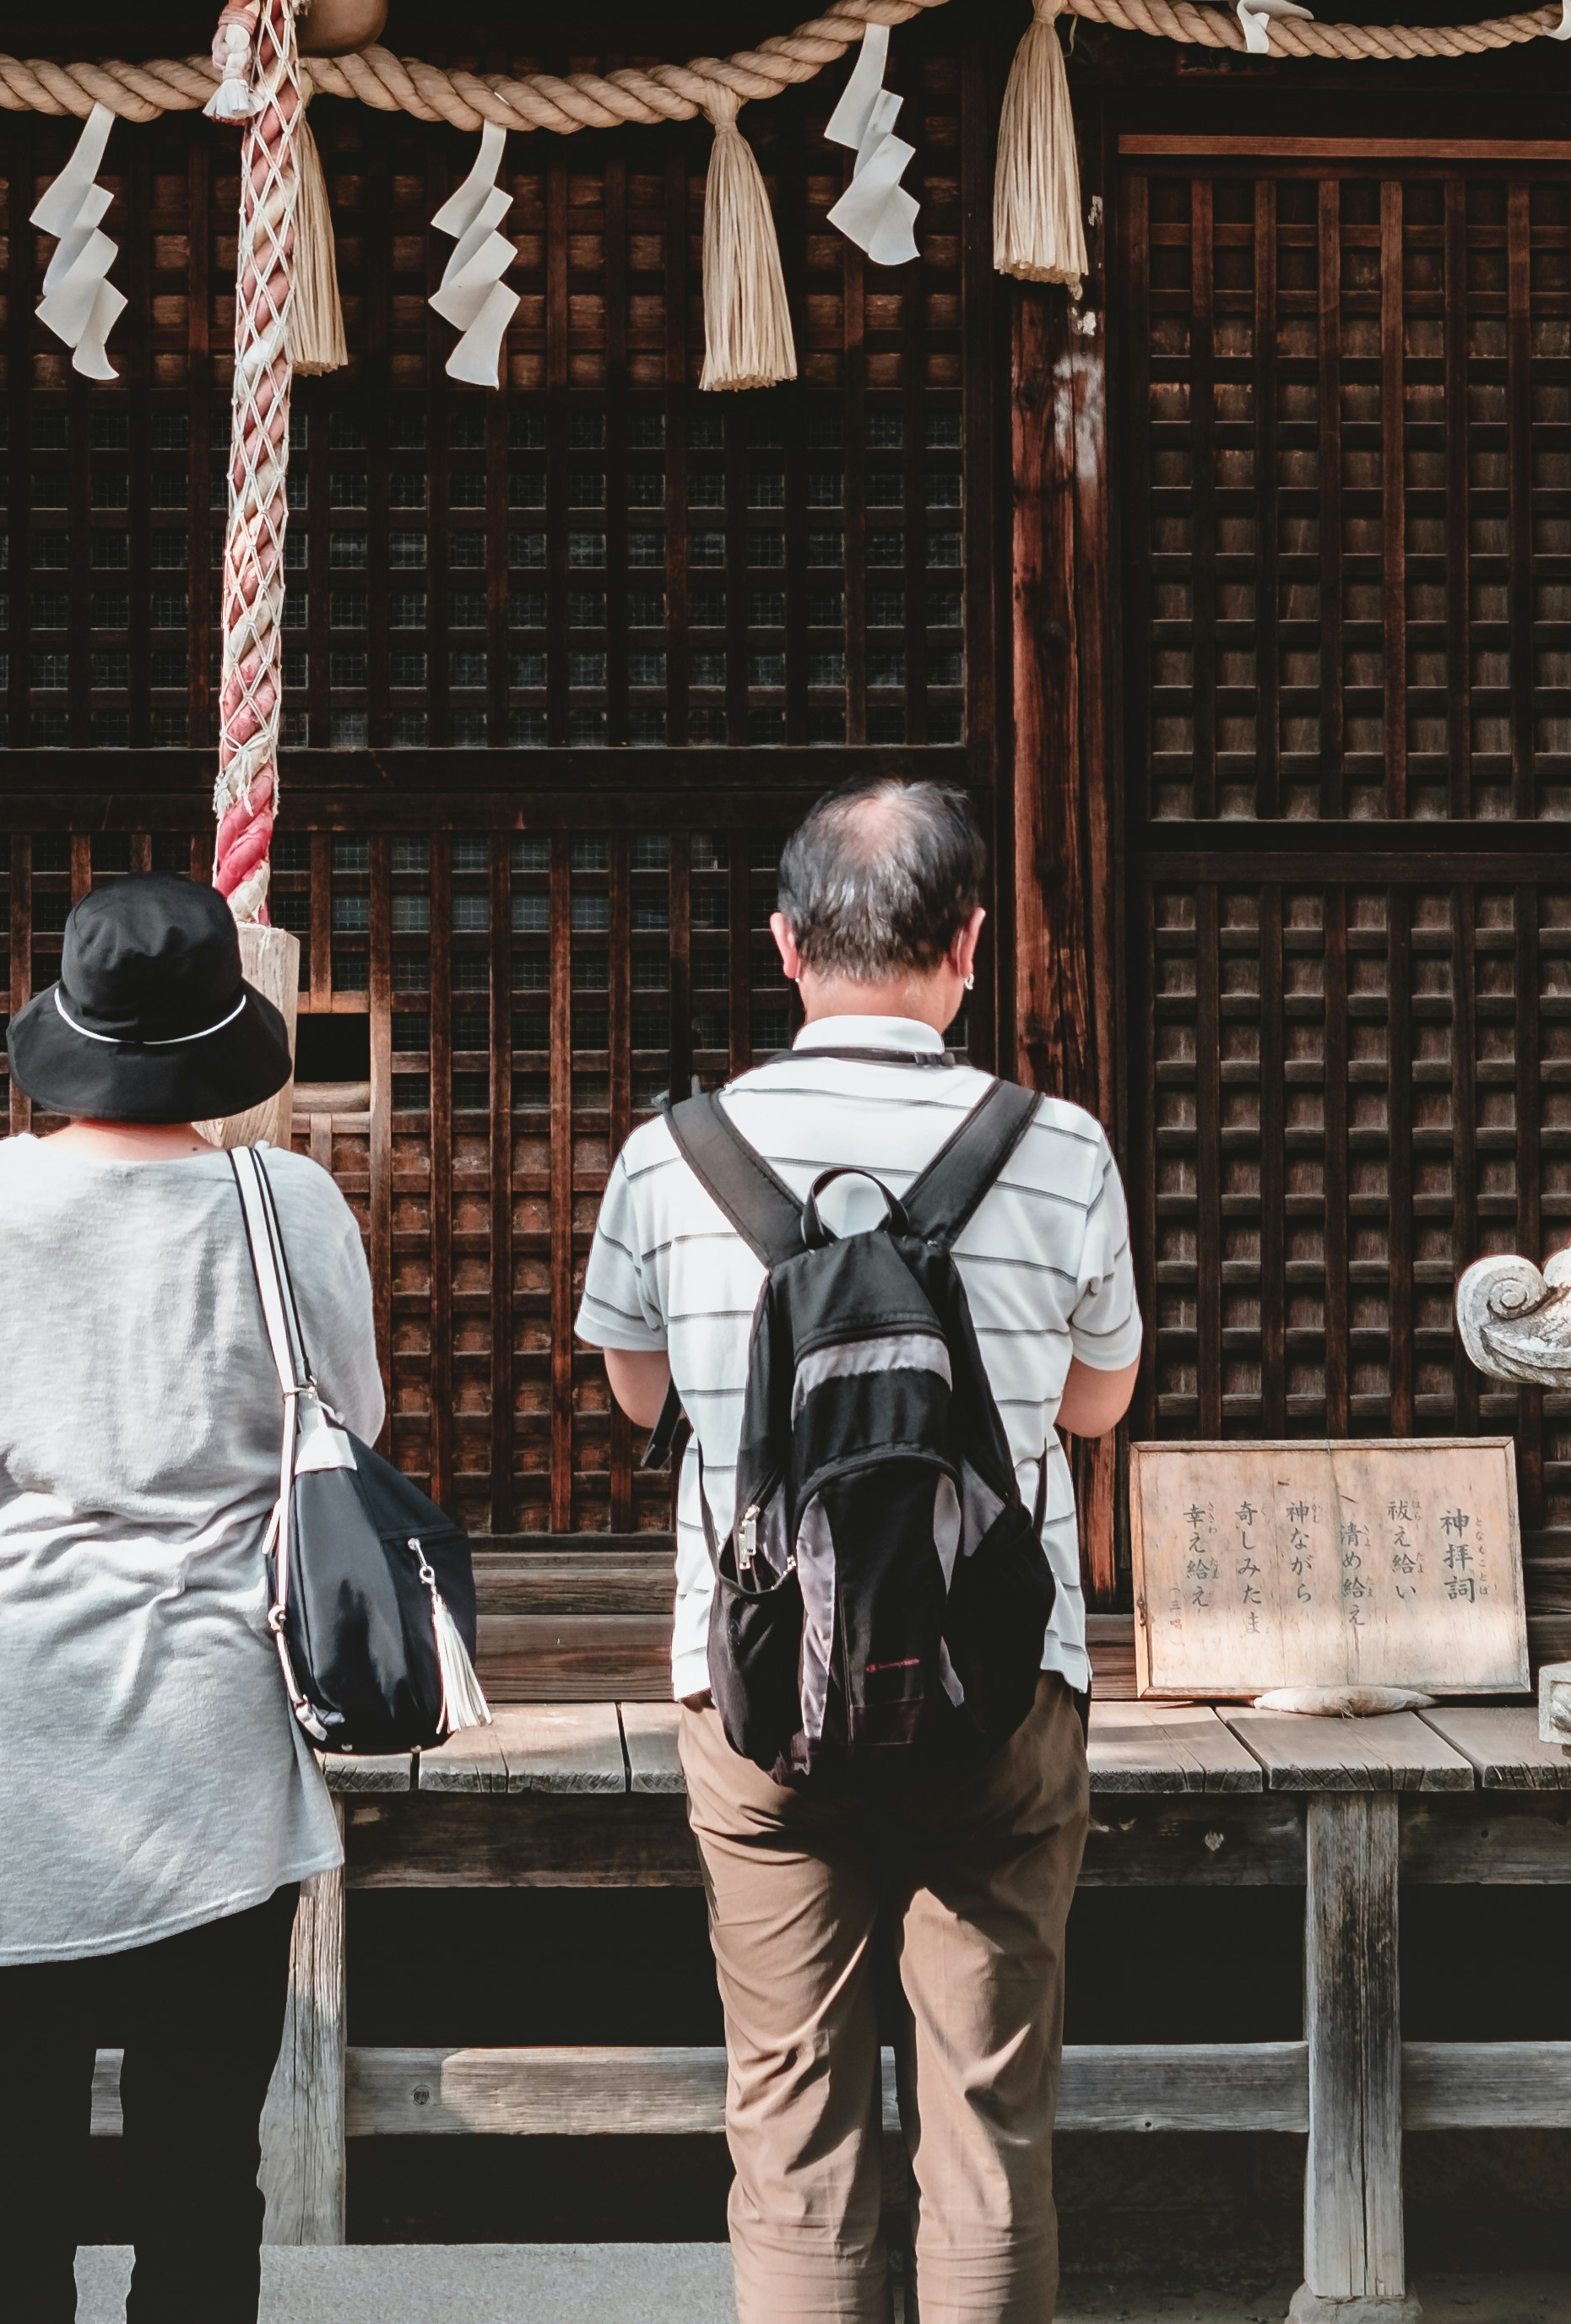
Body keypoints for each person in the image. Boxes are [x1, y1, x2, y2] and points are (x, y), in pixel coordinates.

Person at [577, 775, 1144, 2324]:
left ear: (784, 944)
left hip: (759, 1686)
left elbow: (639, 1391)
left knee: (793, 2117)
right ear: (970, 946)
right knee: (988, 2118)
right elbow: (1098, 1407)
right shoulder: (1061, 1145)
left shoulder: (673, 1152)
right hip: (1004, 1685)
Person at [0, 869, 383, 2324]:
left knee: (3, 2164)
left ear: (70, 1020)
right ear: (218, 1031)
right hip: (211, 1727)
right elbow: (345, 1419)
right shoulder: (285, 1199)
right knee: (197, 2173)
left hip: (1, 1724)